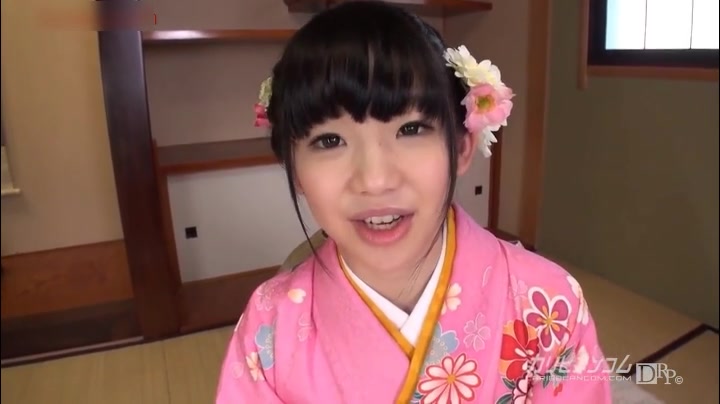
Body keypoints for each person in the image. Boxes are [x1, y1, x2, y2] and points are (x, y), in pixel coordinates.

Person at [216, 1, 613, 403]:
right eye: (329, 140)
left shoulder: (548, 303)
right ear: (294, 169)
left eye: (410, 129)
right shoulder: (269, 326)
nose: (375, 180)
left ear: (462, 147)